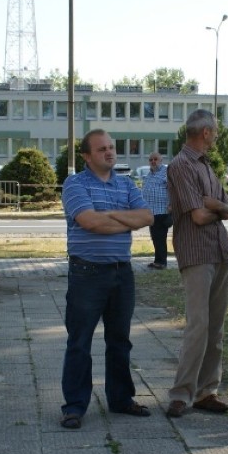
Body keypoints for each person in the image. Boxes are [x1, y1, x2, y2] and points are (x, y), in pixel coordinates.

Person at [59, 129, 154, 429]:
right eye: (101, 149)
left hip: (121, 273)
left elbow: (148, 217)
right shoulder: (75, 183)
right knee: (80, 342)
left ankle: (121, 399)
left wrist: (107, 217)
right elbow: (89, 222)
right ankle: (74, 407)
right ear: (87, 156)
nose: (109, 153)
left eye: (111, 147)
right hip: (87, 274)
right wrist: (124, 219)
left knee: (120, 341)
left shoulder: (125, 183)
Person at [165, 109, 228, 418]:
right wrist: (216, 208)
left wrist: (217, 205)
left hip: (220, 251)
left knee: (216, 327)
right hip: (196, 254)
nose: (218, 134)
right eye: (216, 130)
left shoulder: (206, 166)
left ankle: (208, 390)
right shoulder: (181, 166)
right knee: (199, 326)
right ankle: (181, 394)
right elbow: (197, 216)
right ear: (206, 132)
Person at [141, 151, 172, 269]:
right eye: (151, 160)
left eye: (155, 159)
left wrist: (172, 206)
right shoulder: (149, 174)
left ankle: (162, 262)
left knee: (160, 237)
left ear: (161, 160)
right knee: (155, 237)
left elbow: (175, 189)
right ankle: (157, 261)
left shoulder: (167, 172)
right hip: (151, 212)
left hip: (162, 211)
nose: (153, 161)